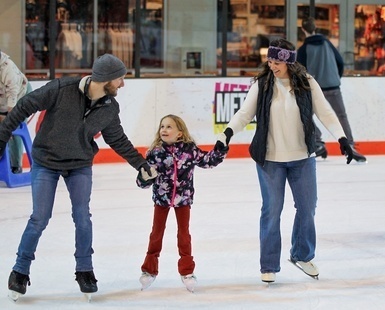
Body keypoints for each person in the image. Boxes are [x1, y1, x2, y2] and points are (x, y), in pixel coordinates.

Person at [0, 53, 158, 301]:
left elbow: (116, 139)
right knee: (39, 218)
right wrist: (2, 137)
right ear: (105, 78)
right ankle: (20, 271)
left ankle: (85, 270)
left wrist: (140, 164)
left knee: (82, 217)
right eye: (120, 79)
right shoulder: (62, 88)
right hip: (46, 162)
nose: (123, 85)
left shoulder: (109, 107)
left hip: (79, 165)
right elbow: (24, 106)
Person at [215, 38, 356, 283]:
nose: (272, 65)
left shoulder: (307, 83)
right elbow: (244, 113)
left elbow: (326, 113)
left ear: (289, 61)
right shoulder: (262, 84)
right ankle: (269, 264)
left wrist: (342, 139)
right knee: (272, 210)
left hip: (302, 157)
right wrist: (226, 134)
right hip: (269, 158)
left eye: (277, 61)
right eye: (270, 60)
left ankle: (301, 254)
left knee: (307, 207)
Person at [137, 114, 228, 293]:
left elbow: (207, 161)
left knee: (184, 234)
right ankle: (149, 269)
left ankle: (187, 271)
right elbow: (143, 181)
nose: (164, 129)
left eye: (169, 127)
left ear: (180, 133)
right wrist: (144, 177)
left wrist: (220, 149)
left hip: (183, 199)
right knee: (156, 233)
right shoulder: (155, 153)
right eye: (162, 126)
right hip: (161, 199)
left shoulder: (189, 150)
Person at [297, 17, 366, 162]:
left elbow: (299, 71)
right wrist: (335, 78)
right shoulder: (328, 44)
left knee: (305, 114)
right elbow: (340, 62)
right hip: (333, 85)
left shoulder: (303, 50)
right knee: (341, 115)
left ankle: (317, 141)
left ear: (303, 30)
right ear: (315, 28)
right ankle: (350, 144)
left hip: (315, 89)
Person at [0, 50, 32, 174]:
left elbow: (13, 94)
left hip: (20, 96)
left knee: (14, 129)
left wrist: (8, 118)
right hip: (2, 99)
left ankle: (16, 165)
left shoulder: (7, 68)